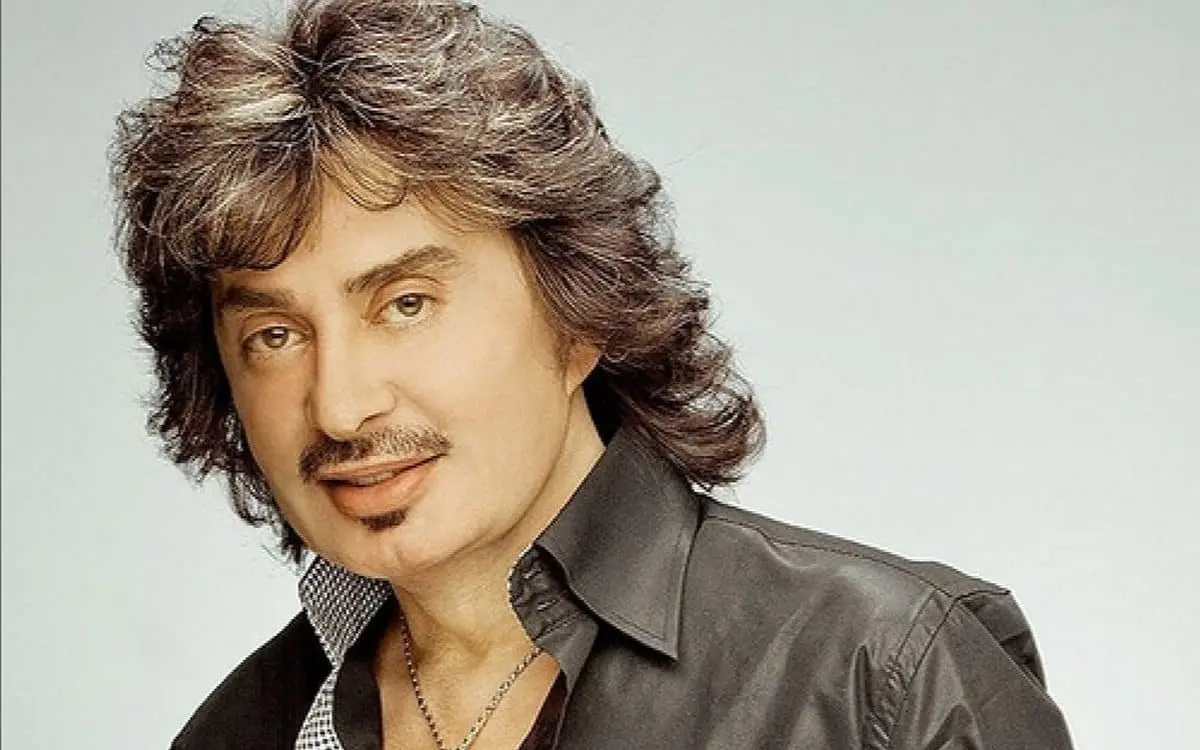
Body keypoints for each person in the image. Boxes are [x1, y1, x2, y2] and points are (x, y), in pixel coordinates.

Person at [111, 1, 1075, 748]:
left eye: (406, 304)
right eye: (275, 334)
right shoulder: (243, 730)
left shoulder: (881, 675)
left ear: (578, 316)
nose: (340, 404)